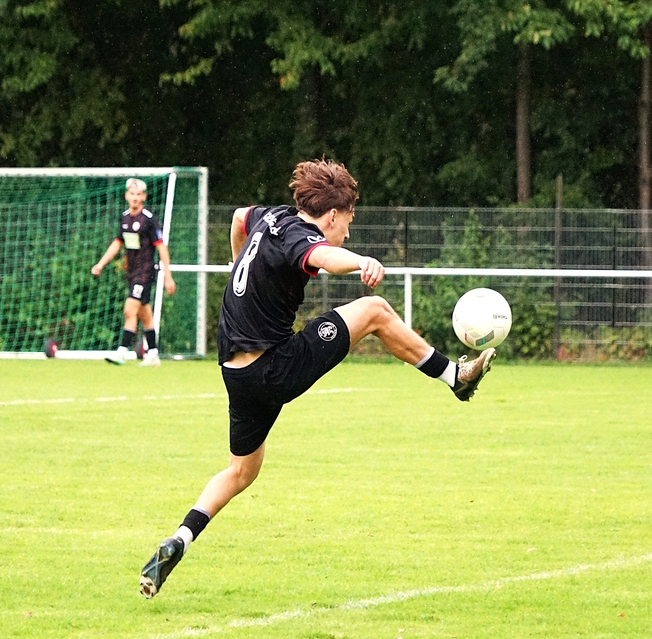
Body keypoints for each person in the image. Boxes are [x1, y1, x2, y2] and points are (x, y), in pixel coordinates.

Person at [138, 159, 496, 599]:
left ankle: (180, 538)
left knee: (241, 471)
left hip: (235, 374)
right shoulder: (300, 235)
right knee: (375, 310)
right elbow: (323, 255)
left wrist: (236, 265)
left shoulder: (270, 217)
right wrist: (361, 261)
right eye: (348, 222)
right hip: (274, 368)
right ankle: (455, 377)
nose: (347, 232)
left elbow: (238, 217)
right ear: (332, 215)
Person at [91, 178, 176, 367]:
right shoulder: (124, 218)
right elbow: (118, 243)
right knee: (145, 313)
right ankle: (153, 354)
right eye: (132, 194)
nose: (135, 198)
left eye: (139, 194)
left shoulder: (149, 219)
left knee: (130, 310)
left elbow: (161, 247)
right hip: (132, 272)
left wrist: (168, 276)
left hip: (145, 272)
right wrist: (100, 264)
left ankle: (122, 352)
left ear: (144, 197)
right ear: (126, 196)